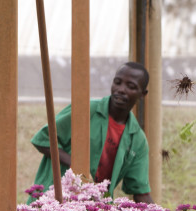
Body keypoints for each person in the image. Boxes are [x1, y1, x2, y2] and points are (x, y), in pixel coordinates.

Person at [29, 62, 154, 203]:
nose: (121, 89)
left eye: (130, 87)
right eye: (117, 83)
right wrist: (77, 166)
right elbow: (43, 140)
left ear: (142, 94)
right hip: (52, 203)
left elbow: (140, 192)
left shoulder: (138, 140)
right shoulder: (86, 110)